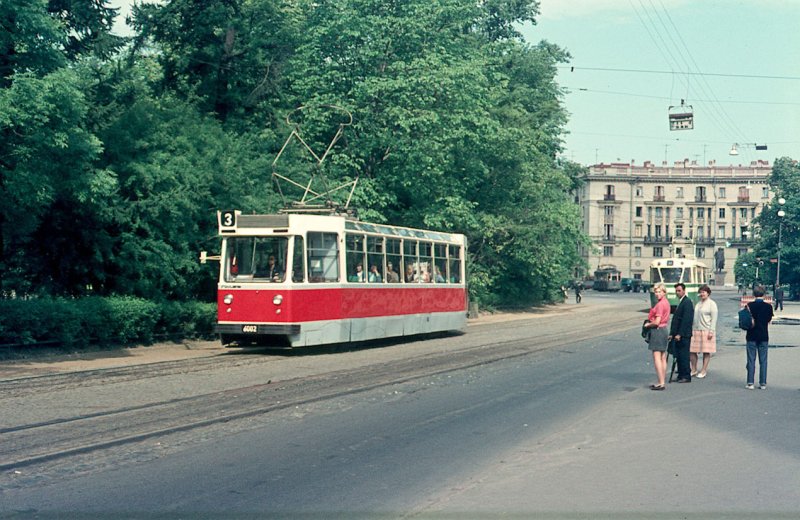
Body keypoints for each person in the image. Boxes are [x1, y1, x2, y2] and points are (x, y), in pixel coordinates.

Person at [745, 285, 774, 390]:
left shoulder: (749, 306)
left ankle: (750, 382)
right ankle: (763, 383)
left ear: (753, 294)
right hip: (763, 335)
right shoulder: (768, 307)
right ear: (764, 294)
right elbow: (769, 320)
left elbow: (745, 320)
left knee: (751, 359)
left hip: (751, 335)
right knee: (763, 360)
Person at [644, 282, 671, 390]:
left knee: (657, 358)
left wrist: (648, 324)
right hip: (664, 330)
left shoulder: (659, 305)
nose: (657, 294)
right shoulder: (666, 303)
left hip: (658, 330)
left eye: (659, 292)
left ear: (664, 292)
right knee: (663, 357)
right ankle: (662, 380)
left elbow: (657, 321)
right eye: (656, 292)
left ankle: (661, 382)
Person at [690, 284, 718, 379]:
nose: (702, 294)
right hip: (696, 330)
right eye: (701, 292)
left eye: (704, 292)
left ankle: (703, 370)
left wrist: (711, 331)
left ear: (708, 293)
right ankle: (693, 369)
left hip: (706, 330)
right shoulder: (698, 303)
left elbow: (714, 318)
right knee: (692, 350)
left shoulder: (712, 304)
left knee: (706, 351)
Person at [669, 282, 694, 383]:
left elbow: (686, 320)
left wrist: (680, 333)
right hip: (678, 334)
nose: (677, 293)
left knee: (684, 355)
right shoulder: (681, 301)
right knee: (678, 355)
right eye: (676, 291)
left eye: (679, 291)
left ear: (684, 290)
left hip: (684, 335)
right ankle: (680, 374)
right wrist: (672, 333)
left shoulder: (687, 302)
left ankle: (686, 376)